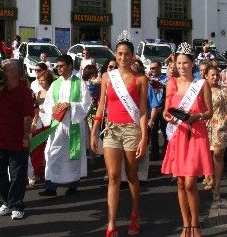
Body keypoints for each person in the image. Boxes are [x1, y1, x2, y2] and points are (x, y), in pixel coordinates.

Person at [90, 31, 148, 236]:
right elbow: (101, 105)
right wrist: (94, 131)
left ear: (133, 56)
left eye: (126, 54)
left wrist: (144, 136)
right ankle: (112, 224)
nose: (122, 57)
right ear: (115, 55)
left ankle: (134, 213)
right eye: (119, 53)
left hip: (132, 130)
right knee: (114, 177)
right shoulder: (107, 76)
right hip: (112, 129)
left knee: (131, 176)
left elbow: (142, 110)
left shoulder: (141, 79)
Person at [162, 42, 213, 237]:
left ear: (192, 63)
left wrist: (196, 116)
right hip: (178, 134)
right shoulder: (172, 83)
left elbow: (209, 112)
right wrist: (168, 116)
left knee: (191, 182)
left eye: (185, 63)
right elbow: (166, 111)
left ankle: (195, 223)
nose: (182, 66)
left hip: (196, 133)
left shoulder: (202, 84)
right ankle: (186, 225)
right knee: (181, 183)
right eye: (179, 63)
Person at [0, 59, 34, 220]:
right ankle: (6, 201)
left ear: (15, 72)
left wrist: (26, 135)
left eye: (5, 69)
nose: (2, 71)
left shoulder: (25, 92)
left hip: (18, 139)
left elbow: (28, 116)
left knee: (17, 174)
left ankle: (17, 204)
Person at [38, 54, 91, 196]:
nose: (58, 68)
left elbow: (86, 104)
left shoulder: (79, 83)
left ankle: (73, 185)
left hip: (73, 125)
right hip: (57, 125)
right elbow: (48, 104)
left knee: (73, 155)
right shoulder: (55, 84)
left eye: (61, 66)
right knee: (52, 152)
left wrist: (70, 105)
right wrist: (52, 109)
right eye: (57, 65)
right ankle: (51, 186)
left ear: (70, 66)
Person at [203, 65, 227, 200]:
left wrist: (224, 121)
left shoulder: (224, 90)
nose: (215, 77)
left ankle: (217, 188)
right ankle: (210, 178)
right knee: (207, 155)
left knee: (217, 155)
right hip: (205, 125)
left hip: (220, 126)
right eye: (212, 75)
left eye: (217, 75)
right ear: (206, 77)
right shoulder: (201, 91)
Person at [29, 70, 55, 187]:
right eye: (39, 79)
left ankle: (51, 173)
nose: (40, 81)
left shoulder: (54, 91)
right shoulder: (37, 93)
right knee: (37, 150)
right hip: (39, 123)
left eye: (42, 79)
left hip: (51, 123)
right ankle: (36, 172)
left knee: (50, 150)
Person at [148, 60, 167, 160]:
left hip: (163, 107)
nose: (152, 70)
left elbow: (168, 87)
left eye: (154, 68)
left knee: (165, 131)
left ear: (160, 68)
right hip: (153, 108)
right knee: (153, 132)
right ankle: (154, 153)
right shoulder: (148, 79)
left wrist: (159, 84)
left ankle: (166, 152)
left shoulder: (165, 78)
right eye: (151, 68)